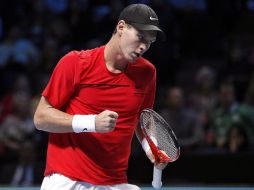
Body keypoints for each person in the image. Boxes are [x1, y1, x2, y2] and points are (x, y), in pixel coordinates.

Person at [34, 4, 166, 190]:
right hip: (68, 180)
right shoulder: (75, 63)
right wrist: (92, 122)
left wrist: (151, 148)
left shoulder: (147, 73)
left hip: (114, 182)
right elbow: (41, 118)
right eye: (140, 37)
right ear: (121, 27)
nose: (144, 46)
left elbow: (143, 121)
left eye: (150, 41)